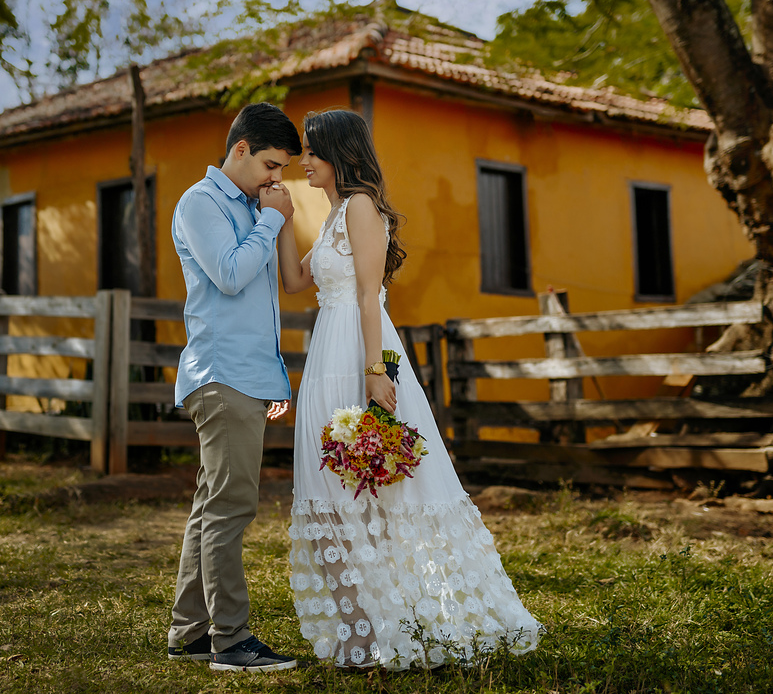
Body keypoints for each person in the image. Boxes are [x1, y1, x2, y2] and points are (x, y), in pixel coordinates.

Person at [276, 109, 542, 669]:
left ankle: (395, 621)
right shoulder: (329, 218)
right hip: (325, 350)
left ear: (340, 155)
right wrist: (280, 219)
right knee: (326, 491)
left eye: (314, 152)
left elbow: (371, 295)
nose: (306, 161)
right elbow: (296, 281)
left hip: (358, 348)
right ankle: (358, 632)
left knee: (378, 490)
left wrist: (376, 372)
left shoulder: (363, 208)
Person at [165, 102, 303, 673]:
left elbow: (268, 299)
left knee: (211, 507)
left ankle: (188, 632)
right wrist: (272, 220)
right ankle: (231, 641)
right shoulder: (201, 203)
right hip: (220, 375)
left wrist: (274, 381)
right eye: (271, 164)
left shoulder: (252, 206)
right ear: (241, 149)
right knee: (231, 507)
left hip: (244, 375)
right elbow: (229, 275)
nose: (277, 178)